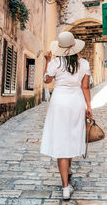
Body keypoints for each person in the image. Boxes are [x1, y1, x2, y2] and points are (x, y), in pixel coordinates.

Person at [40, 31, 93, 200]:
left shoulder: (55, 63)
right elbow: (85, 87)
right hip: (76, 103)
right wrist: (89, 106)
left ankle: (65, 187)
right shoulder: (83, 63)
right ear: (74, 47)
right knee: (70, 138)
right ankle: (68, 171)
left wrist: (47, 61)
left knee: (61, 140)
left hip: (59, 103)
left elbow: (47, 81)